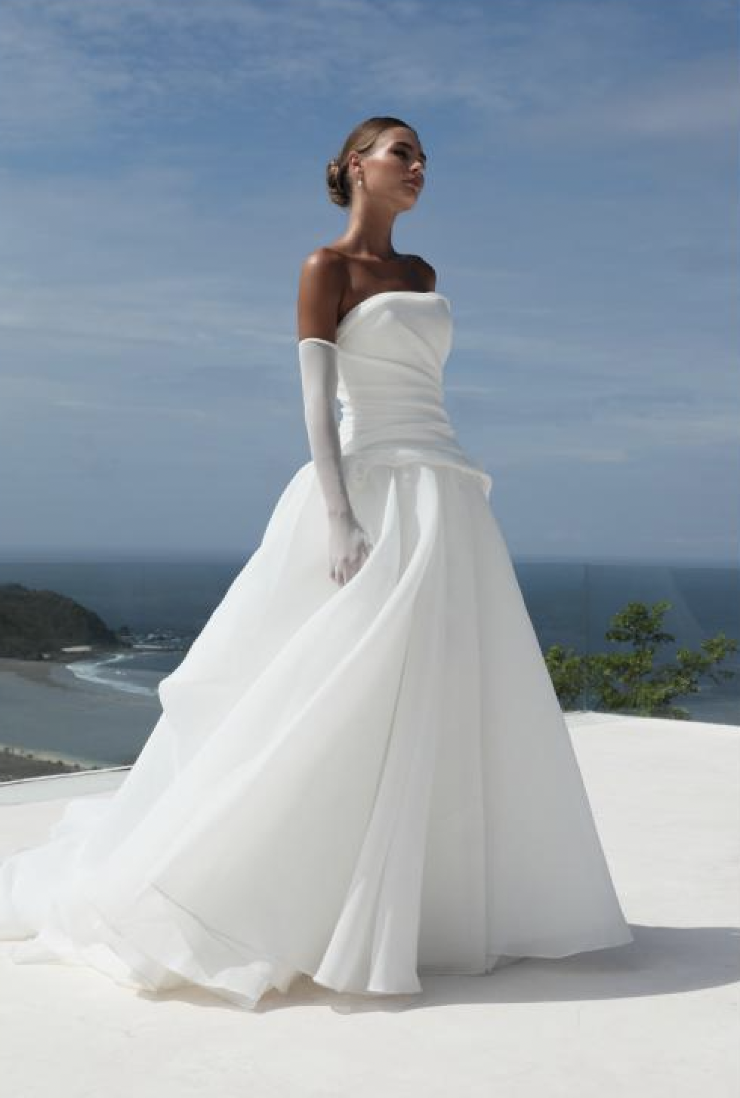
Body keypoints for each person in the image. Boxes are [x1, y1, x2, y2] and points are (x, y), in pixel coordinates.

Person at [0, 116, 633, 1011]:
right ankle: (279, 894)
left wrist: (450, 485)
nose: (416, 166)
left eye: (422, 157)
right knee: (326, 691)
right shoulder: (323, 269)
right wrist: (336, 515)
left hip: (446, 493)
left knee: (445, 693)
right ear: (352, 167)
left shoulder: (422, 276)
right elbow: (316, 401)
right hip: (367, 491)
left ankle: (429, 909)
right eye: (399, 152)